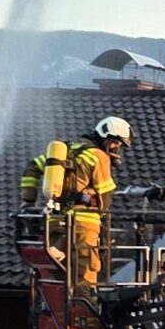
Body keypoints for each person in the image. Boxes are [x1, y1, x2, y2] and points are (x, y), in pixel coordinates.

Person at [24, 116, 131, 288]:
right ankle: (84, 303)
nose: (116, 148)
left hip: (55, 220)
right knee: (85, 270)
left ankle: (57, 299)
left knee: (59, 272)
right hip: (84, 224)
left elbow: (32, 167)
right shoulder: (98, 155)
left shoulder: (66, 151)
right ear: (106, 137)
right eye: (115, 143)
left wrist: (28, 202)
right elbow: (106, 196)